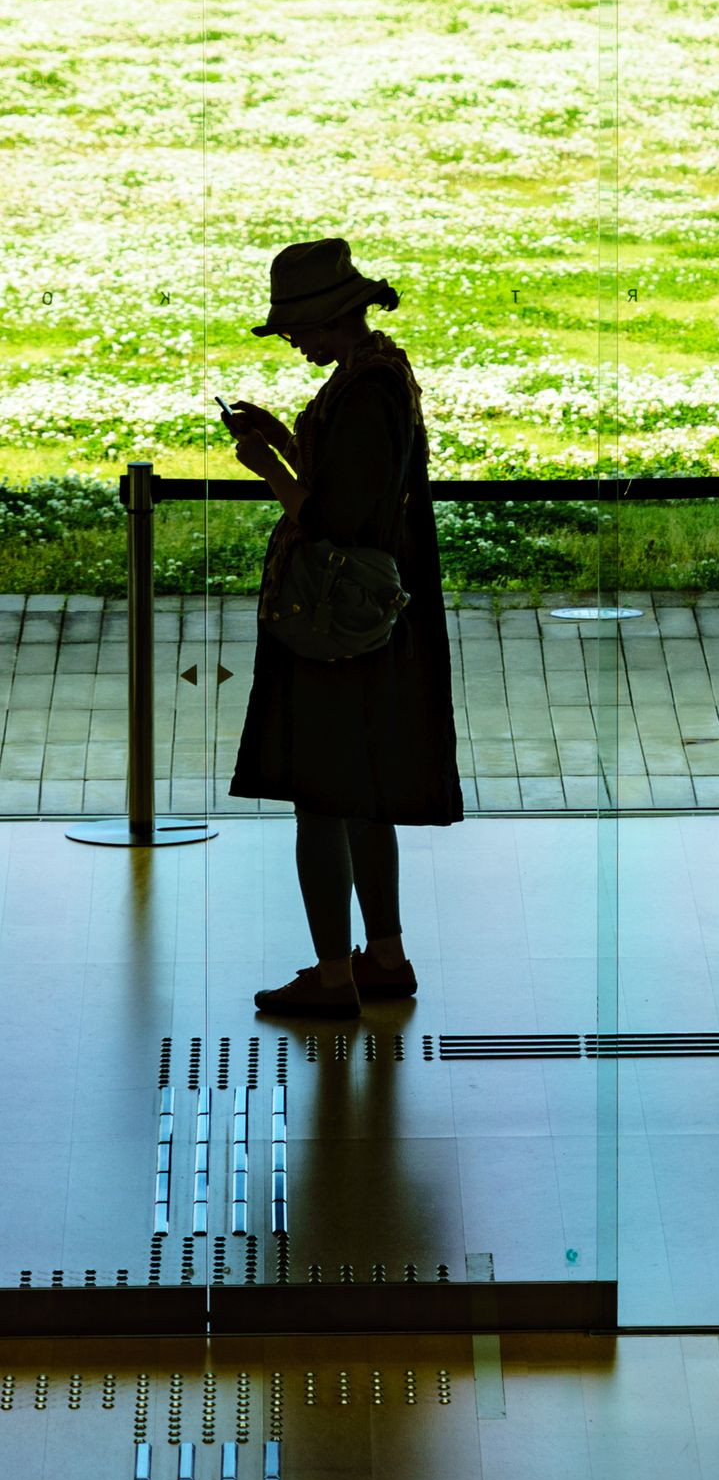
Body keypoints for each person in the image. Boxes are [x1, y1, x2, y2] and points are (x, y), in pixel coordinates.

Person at [220, 236, 461, 1017]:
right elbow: (353, 479)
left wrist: (269, 469)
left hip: (337, 628)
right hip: (370, 623)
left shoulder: (363, 392)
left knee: (321, 796)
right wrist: (285, 437)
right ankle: (384, 956)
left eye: (297, 327)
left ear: (331, 317)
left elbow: (332, 516)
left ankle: (332, 978)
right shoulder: (375, 372)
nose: (292, 339)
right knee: (362, 795)